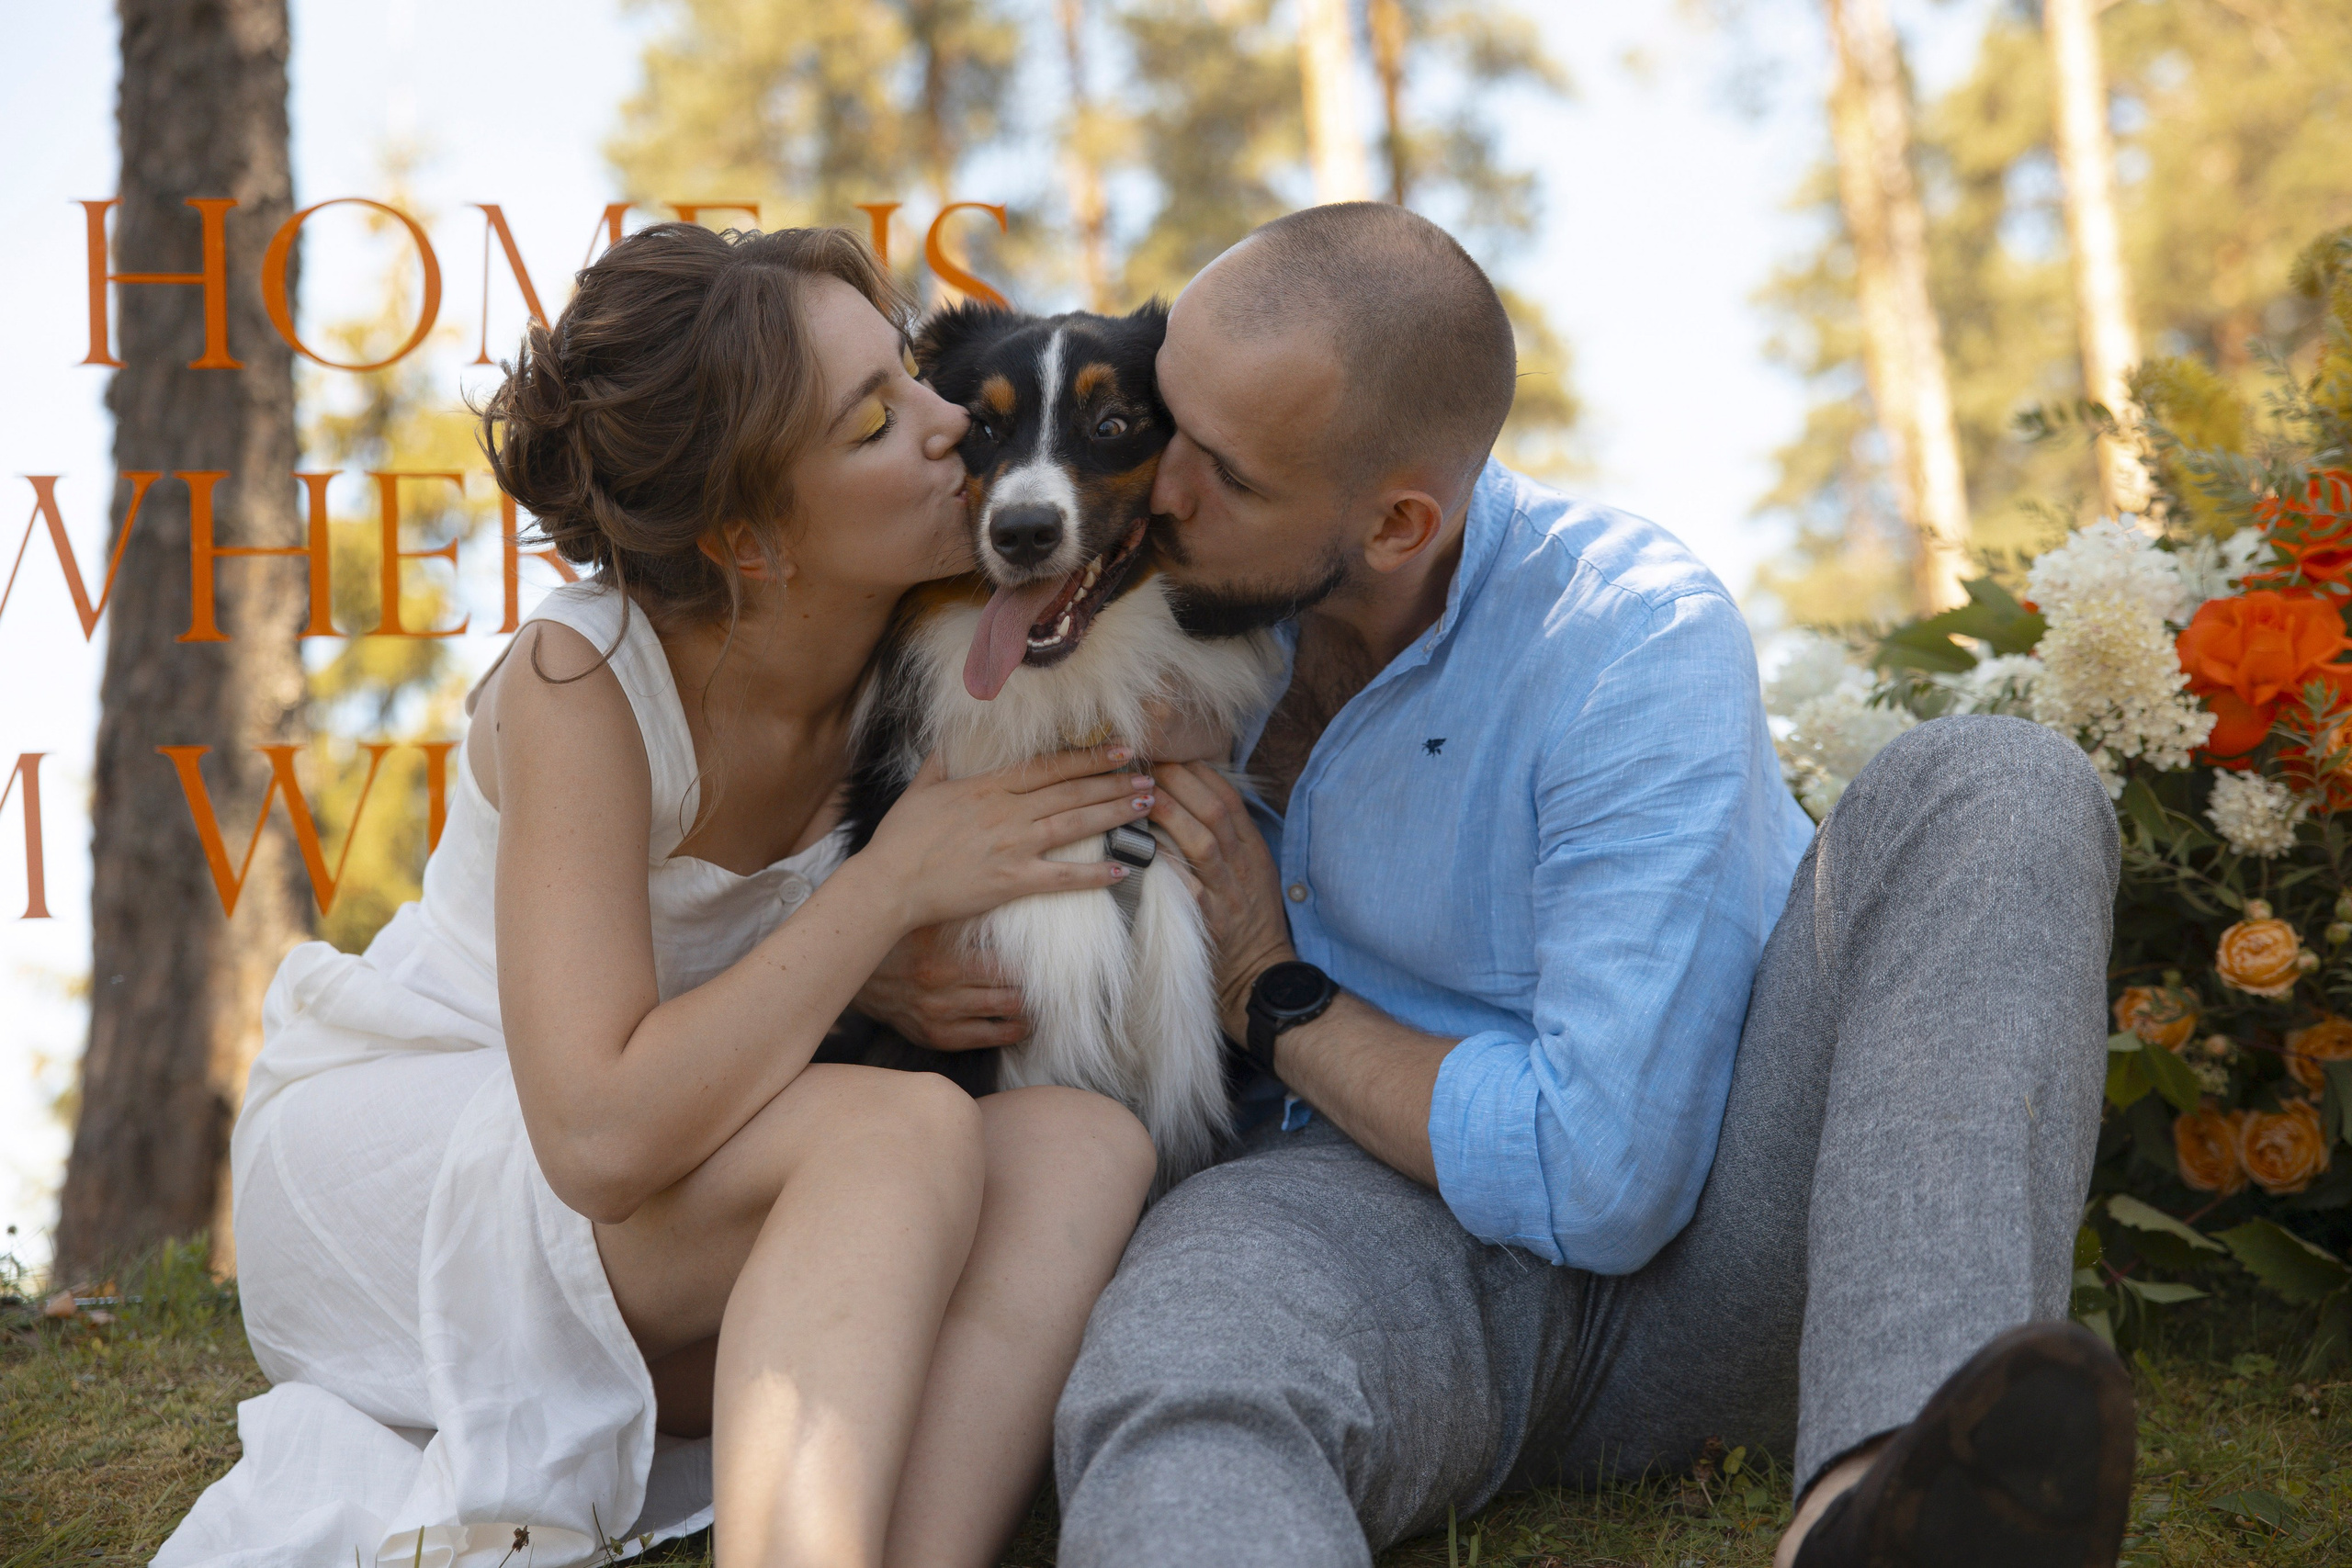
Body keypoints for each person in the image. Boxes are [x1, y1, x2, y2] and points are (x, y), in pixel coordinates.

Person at [859, 202, 2134, 1568]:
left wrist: (1274, 993)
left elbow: (1610, 1175)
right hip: (1353, 1242)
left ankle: (1886, 1491)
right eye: (1171, 430)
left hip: (1726, 1248)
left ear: (1400, 520)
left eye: (1220, 472)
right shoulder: (1150, 633)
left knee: (1996, 780)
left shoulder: (1623, 630)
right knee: (1188, 1357)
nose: (1158, 490)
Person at [156, 223, 1166, 1568]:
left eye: (913, 380)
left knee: (1079, 1150)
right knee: (898, 1133)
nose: (944, 429)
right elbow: (600, 1134)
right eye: (875, 421)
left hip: (692, 1180)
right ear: (748, 537)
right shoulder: (586, 680)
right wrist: (881, 899)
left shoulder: (936, 632)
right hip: (436, 1142)